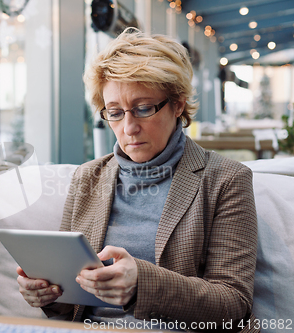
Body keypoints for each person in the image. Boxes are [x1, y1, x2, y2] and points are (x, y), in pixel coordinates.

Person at [17, 28, 259, 332]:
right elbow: (71, 305)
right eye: (115, 113)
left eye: (143, 108)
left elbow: (234, 304)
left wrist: (141, 285)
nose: (129, 127)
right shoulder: (87, 178)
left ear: (178, 104)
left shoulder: (225, 180)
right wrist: (49, 295)